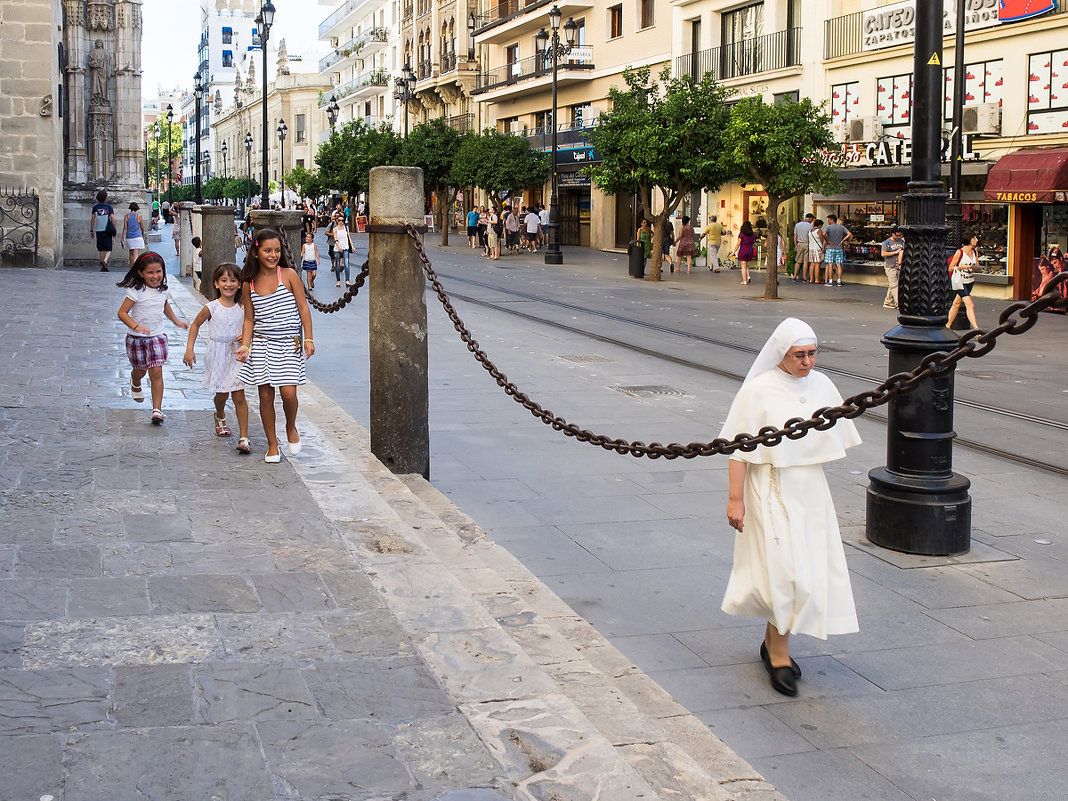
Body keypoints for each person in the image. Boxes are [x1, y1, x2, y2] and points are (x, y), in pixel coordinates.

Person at [720, 317, 861, 697]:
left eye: (812, 354)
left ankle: (773, 644)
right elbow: (737, 446)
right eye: (799, 355)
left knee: (808, 568)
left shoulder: (822, 384)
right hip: (768, 487)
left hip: (809, 488)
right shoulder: (759, 390)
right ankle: (779, 654)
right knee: (783, 571)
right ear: (782, 354)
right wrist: (736, 499)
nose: (807, 362)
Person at [235, 228, 314, 463]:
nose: (273, 255)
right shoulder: (248, 282)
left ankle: (291, 425)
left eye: (277, 250)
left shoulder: (288, 275)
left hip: (288, 343)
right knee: (265, 395)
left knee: (289, 393)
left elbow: (303, 308)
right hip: (262, 344)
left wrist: (308, 338)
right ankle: (272, 444)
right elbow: (249, 318)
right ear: (256, 252)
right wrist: (246, 346)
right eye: (268, 250)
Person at [182, 263, 252, 454]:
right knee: (222, 394)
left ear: (239, 284)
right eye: (224, 280)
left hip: (237, 353)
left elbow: (251, 324)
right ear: (216, 283)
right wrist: (190, 349)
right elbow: (195, 325)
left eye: (233, 280)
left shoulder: (243, 306)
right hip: (217, 353)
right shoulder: (211, 307)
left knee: (238, 394)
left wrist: (245, 337)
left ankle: (244, 436)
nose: (228, 284)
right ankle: (220, 414)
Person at [115, 252, 190, 424]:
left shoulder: (163, 290)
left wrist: (176, 320)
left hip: (157, 336)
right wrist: (136, 326)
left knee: (156, 371)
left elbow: (164, 306)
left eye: (159, 272)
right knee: (140, 370)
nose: (155, 276)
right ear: (141, 273)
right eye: (150, 272)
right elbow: (122, 312)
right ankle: (135, 380)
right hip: (136, 338)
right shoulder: (136, 291)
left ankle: (157, 409)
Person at [946, 233, 981, 330]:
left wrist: (975, 267)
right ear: (970, 240)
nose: (977, 240)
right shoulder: (959, 252)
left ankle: (947, 326)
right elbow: (950, 268)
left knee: (956, 304)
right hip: (960, 282)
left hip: (969, 281)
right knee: (970, 305)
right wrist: (962, 267)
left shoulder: (974, 251)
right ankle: (977, 330)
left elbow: (977, 268)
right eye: (974, 238)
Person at [90, 189, 117, 272]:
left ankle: (102, 264)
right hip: (107, 230)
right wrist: (114, 228)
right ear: (105, 198)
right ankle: (105, 261)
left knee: (101, 248)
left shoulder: (95, 208)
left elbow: (93, 219)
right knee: (108, 248)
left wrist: (91, 229)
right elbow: (112, 219)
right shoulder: (109, 207)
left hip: (98, 230)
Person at [822, 214, 852, 286]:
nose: (828, 222)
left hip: (830, 248)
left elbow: (823, 234)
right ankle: (839, 280)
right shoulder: (842, 227)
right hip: (839, 248)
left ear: (832, 220)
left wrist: (827, 240)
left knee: (830, 265)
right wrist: (843, 241)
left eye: (828, 220)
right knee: (838, 265)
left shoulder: (828, 227)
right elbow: (849, 234)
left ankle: (830, 281)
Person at [880, 228, 905, 309]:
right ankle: (899, 303)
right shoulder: (886, 243)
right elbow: (883, 254)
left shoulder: (902, 241)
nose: (898, 237)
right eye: (897, 235)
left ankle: (888, 301)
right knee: (894, 285)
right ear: (892, 234)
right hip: (890, 266)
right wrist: (895, 252)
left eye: (900, 235)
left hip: (899, 266)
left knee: (893, 284)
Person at [120, 202, 146, 268]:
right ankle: (135, 267)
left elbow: (125, 227)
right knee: (136, 253)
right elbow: (142, 227)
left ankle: (132, 266)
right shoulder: (139, 216)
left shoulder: (126, 216)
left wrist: (122, 237)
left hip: (129, 237)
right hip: (137, 236)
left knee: (131, 253)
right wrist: (143, 233)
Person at [734, 220, 758, 285]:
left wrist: (734, 251)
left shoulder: (741, 235)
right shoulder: (752, 235)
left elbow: (738, 244)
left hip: (743, 250)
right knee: (746, 265)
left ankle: (744, 281)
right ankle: (748, 277)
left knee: (743, 266)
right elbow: (753, 243)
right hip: (750, 250)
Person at [331, 214, 352, 287]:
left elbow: (348, 237)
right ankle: (338, 281)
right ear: (337, 221)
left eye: (342, 220)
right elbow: (335, 239)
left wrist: (352, 246)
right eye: (339, 220)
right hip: (337, 249)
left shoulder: (346, 228)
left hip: (346, 247)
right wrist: (338, 246)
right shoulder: (335, 229)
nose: (341, 222)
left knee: (346, 263)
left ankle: (347, 280)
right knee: (337, 265)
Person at [793, 213, 813, 282]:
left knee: (798, 261)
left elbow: (795, 236)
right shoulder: (810, 226)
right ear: (810, 219)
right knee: (805, 261)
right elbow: (810, 236)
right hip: (807, 243)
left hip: (799, 243)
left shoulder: (797, 225)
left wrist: (796, 245)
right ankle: (804, 277)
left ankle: (795, 276)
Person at [808, 219, 825, 285]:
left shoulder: (810, 231)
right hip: (817, 248)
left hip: (811, 248)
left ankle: (811, 279)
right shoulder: (818, 230)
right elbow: (822, 239)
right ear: (820, 225)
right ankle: (817, 279)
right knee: (817, 264)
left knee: (812, 264)